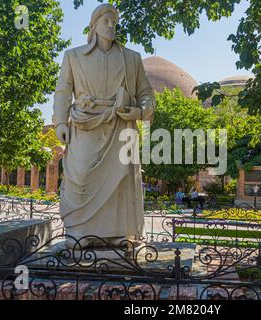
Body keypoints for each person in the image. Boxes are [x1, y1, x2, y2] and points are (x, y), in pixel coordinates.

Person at [53, 4, 155, 249]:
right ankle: (80, 231)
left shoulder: (131, 58)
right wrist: (59, 122)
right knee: (82, 175)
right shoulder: (73, 56)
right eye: (106, 21)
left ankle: (119, 233)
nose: (111, 25)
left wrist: (140, 111)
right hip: (85, 124)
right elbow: (63, 91)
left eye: (114, 21)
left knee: (120, 181)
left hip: (121, 124)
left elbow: (146, 93)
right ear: (94, 25)